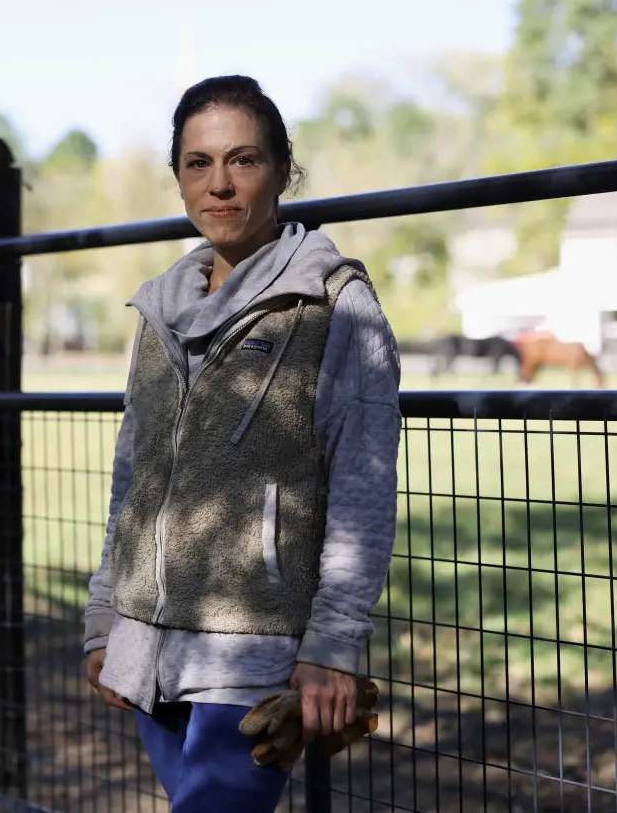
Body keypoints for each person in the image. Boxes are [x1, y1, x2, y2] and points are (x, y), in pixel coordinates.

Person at [83, 74, 403, 811]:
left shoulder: (333, 305)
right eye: (198, 163)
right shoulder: (159, 309)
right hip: (147, 652)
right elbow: (131, 483)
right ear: (178, 177)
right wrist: (106, 619)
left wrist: (332, 646)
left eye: (244, 160)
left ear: (283, 169)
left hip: (252, 655)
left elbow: (362, 490)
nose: (219, 184)